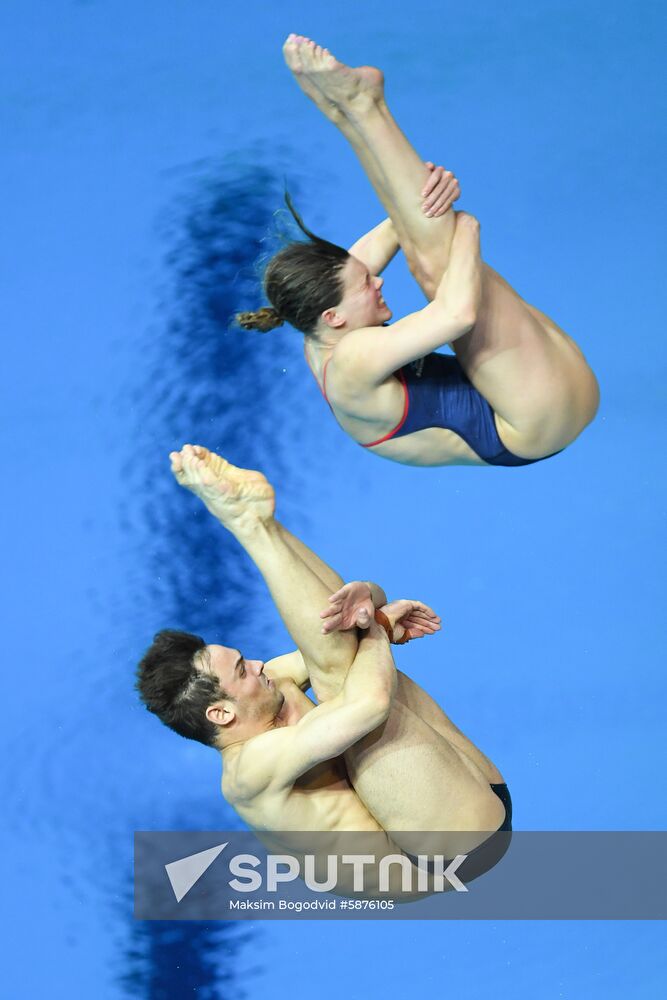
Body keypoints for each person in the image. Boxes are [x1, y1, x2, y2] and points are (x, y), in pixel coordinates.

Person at [136, 445, 512, 890]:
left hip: (475, 793)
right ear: (221, 713)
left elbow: (343, 626)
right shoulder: (249, 772)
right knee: (342, 675)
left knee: (339, 654)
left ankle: (264, 524)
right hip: (444, 855)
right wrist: (378, 627)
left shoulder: (267, 687)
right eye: (241, 669)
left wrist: (370, 603)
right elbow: (369, 703)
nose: (257, 664)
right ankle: (249, 527)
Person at [237, 36, 599, 468]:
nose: (378, 279)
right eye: (365, 284)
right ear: (334, 316)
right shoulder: (352, 359)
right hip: (535, 421)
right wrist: (466, 225)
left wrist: (432, 190)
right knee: (434, 268)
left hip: (540, 396)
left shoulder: (323, 322)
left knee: (421, 242)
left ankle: (349, 111)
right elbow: (456, 315)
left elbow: (400, 223)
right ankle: (365, 107)